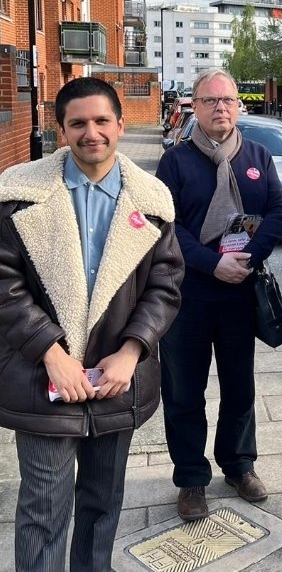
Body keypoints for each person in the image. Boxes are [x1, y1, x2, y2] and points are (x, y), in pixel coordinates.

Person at [0, 77, 184, 571]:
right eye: (78, 123)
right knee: (43, 510)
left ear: (121, 125)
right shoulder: (18, 196)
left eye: (102, 120)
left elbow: (165, 287)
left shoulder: (153, 200)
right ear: (60, 129)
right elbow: (4, 284)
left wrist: (131, 352)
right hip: (43, 383)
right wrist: (51, 352)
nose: (91, 133)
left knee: (103, 506)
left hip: (114, 384)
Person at [156, 67, 282, 521]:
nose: (220, 109)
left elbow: (276, 211)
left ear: (239, 105)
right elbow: (166, 227)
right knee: (184, 391)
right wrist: (213, 263)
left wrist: (247, 257)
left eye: (227, 100)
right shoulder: (175, 161)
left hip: (239, 295)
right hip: (187, 297)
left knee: (239, 386)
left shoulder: (257, 155)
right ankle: (191, 477)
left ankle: (238, 464)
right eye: (210, 101)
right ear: (194, 106)